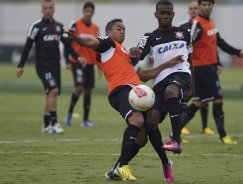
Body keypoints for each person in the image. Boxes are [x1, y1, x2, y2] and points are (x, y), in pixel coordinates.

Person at [66, 18, 183, 182]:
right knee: (136, 120)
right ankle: (123, 167)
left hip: (137, 91)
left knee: (145, 131)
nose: (122, 31)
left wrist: (167, 64)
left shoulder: (126, 53)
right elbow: (91, 41)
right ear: (109, 32)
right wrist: (77, 38)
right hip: (120, 90)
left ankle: (164, 163)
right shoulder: (108, 44)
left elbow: (143, 75)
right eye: (119, 28)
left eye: (124, 29)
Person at [180, 0, 243, 144]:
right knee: (218, 98)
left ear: (212, 6)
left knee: (198, 102)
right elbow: (187, 43)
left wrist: (237, 52)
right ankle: (223, 136)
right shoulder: (197, 24)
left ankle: (175, 134)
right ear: (199, 7)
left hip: (208, 67)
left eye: (209, 4)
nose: (206, 7)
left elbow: (220, 42)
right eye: (203, 5)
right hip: (202, 68)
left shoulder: (210, 22)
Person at [132, 0, 192, 156]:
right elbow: (136, 57)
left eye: (168, 13)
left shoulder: (185, 33)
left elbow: (192, 60)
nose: (165, 16)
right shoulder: (149, 37)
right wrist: (133, 53)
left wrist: (193, 86)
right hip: (159, 82)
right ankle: (164, 161)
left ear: (173, 14)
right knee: (151, 122)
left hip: (181, 75)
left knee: (171, 91)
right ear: (156, 15)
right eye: (162, 13)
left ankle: (176, 141)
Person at [16, 0, 85, 134]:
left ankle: (46, 124)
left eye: (50, 8)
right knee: (53, 90)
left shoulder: (59, 27)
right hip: (42, 66)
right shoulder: (36, 27)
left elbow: (68, 45)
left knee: (50, 94)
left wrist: (77, 57)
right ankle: (54, 122)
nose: (48, 10)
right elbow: (27, 46)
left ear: (54, 9)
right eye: (45, 8)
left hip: (55, 67)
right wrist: (21, 65)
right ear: (42, 9)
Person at [179, 1, 215, 136]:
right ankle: (180, 125)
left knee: (205, 98)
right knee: (187, 95)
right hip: (188, 66)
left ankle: (205, 126)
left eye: (195, 8)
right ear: (188, 10)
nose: (193, 10)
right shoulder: (183, 26)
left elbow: (210, 45)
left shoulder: (205, 23)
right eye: (191, 8)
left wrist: (216, 63)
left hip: (202, 66)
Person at [64, 2, 99, 127]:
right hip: (77, 62)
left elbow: (97, 46)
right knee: (79, 87)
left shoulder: (95, 28)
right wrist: (67, 61)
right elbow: (67, 42)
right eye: (86, 11)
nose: (88, 13)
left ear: (93, 12)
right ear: (83, 11)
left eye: (91, 11)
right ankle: (69, 113)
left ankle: (85, 120)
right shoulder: (75, 24)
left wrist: (99, 65)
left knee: (88, 90)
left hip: (90, 63)